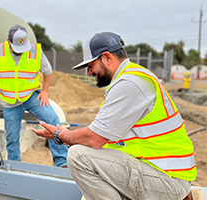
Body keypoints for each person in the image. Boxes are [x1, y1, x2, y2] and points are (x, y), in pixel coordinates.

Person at [32, 32, 197, 199]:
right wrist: (67, 137)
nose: (89, 72)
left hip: (167, 181)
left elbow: (94, 138)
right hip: (164, 175)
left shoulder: (129, 84)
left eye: (91, 65)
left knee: (78, 157)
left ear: (107, 58)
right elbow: (103, 139)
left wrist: (61, 135)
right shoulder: (131, 78)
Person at [0, 25, 68, 167]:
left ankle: (62, 162)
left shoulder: (35, 50)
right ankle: (15, 167)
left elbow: (47, 72)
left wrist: (45, 92)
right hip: (9, 102)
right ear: (8, 41)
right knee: (12, 137)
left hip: (31, 95)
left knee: (52, 118)